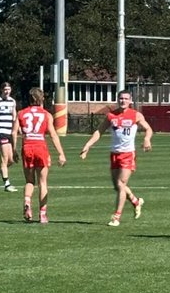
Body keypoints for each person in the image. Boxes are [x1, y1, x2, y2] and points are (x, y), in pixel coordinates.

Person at [79, 90, 153, 227]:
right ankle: (135, 201)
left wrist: (147, 139)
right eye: (121, 98)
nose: (123, 100)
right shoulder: (111, 116)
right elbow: (99, 131)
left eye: (126, 98)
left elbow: (148, 129)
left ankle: (116, 217)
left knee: (121, 183)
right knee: (117, 186)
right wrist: (88, 145)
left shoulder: (135, 115)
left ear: (130, 101)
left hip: (128, 154)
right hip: (114, 154)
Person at [11, 87, 66, 223]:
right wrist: (61, 153)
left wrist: (14, 150)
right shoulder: (46, 114)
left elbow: (14, 132)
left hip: (27, 147)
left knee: (29, 181)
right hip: (40, 147)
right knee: (43, 183)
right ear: (41, 99)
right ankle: (42, 214)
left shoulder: (21, 113)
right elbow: (53, 135)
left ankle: (27, 202)